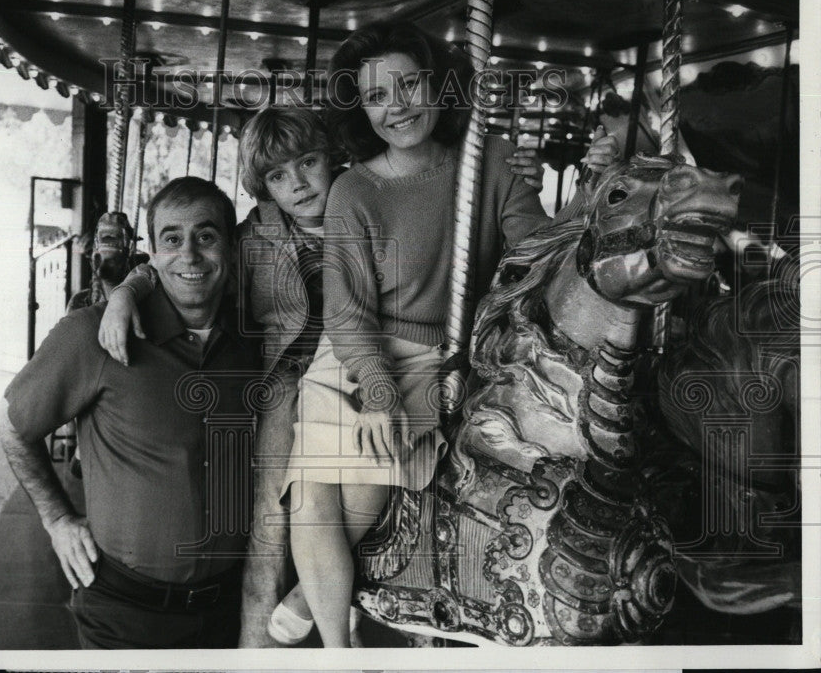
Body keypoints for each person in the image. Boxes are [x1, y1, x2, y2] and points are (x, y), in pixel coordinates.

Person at [96, 106, 548, 647]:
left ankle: (342, 609)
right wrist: (127, 288)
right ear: (264, 188)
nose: (298, 184)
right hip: (290, 387)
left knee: (389, 483)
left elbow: (476, 242)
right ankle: (259, 649)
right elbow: (191, 261)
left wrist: (515, 179)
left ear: (331, 158)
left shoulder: (370, 200)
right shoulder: (256, 239)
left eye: (307, 163)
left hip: (392, 363)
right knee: (273, 522)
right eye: (278, 177)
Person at [276, 20, 617, 647]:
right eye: (378, 96)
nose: (397, 106)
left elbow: (539, 254)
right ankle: (335, 650)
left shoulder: (487, 165)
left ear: (439, 87)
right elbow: (348, 313)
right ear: (362, 108)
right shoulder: (354, 188)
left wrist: (595, 188)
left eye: (409, 84)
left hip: (439, 354)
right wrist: (376, 388)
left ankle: (318, 582)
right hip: (358, 348)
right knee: (313, 485)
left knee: (362, 481)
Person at [0, 176, 261, 649]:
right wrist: (57, 518)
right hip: (124, 612)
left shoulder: (253, 342)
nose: (190, 255)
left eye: (206, 236)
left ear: (231, 247)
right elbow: (14, 423)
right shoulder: (92, 335)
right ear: (153, 254)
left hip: (226, 610)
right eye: (172, 239)